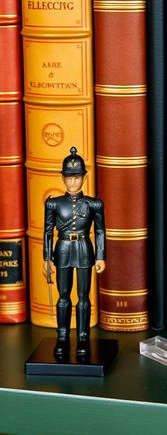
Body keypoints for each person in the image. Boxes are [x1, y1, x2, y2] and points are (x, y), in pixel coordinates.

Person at [43, 147, 106, 357]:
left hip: (83, 248)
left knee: (83, 296)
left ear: (84, 178)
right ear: (62, 178)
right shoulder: (53, 203)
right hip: (62, 249)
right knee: (63, 295)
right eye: (69, 178)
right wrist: (46, 257)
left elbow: (99, 231)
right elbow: (47, 232)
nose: (73, 182)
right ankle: (62, 336)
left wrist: (100, 256)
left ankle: (82, 337)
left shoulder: (94, 203)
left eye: (77, 177)